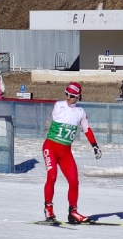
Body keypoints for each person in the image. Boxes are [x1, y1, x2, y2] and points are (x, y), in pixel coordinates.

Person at [43, 83, 102, 224]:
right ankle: (48, 208)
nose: (68, 98)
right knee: (52, 176)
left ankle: (73, 212)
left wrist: (95, 145)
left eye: (72, 96)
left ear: (78, 97)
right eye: (67, 94)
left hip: (65, 151)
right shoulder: (59, 105)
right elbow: (62, 115)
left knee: (74, 181)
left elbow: (87, 129)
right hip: (51, 146)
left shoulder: (80, 112)